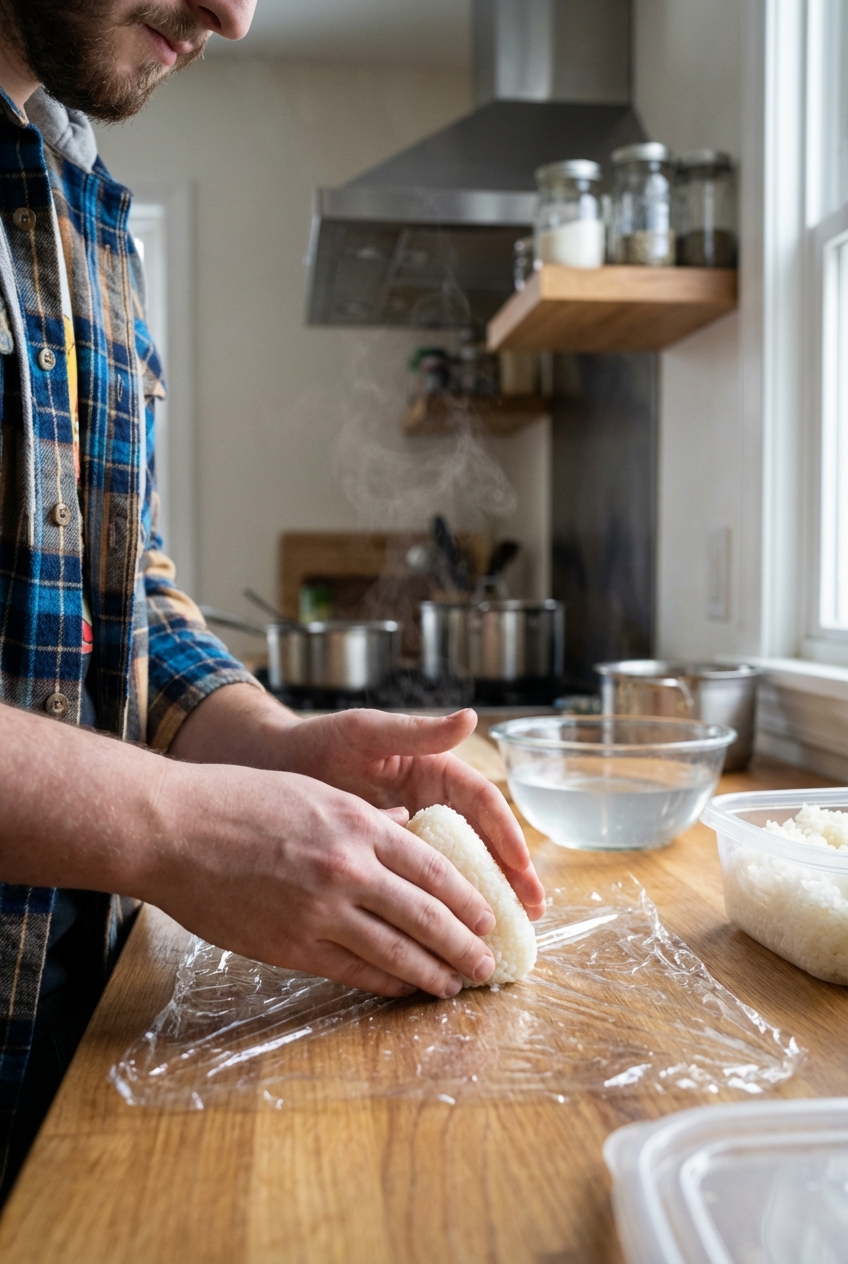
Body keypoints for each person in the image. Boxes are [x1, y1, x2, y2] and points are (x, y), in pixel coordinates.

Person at [0, 0, 545, 1201]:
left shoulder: (84, 212)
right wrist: (175, 825)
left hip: (46, 1054)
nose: (236, 15)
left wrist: (284, 745)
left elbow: (124, 593)